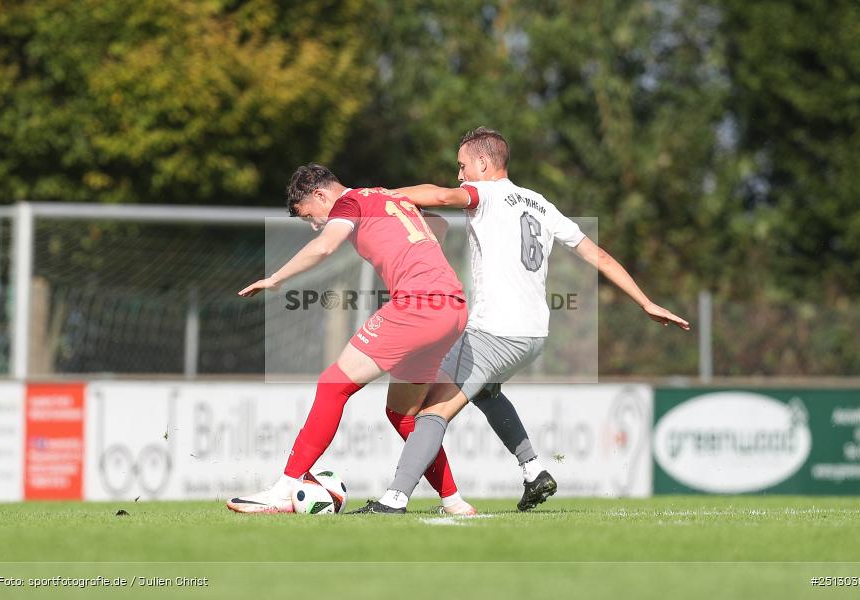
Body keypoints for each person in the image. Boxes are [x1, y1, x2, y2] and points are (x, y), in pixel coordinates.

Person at [352, 127, 689, 514]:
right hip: (532, 335)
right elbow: (599, 256)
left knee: (431, 412)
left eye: (462, 166)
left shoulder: (486, 195)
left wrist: (377, 197)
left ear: (482, 163)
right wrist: (645, 301)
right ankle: (534, 471)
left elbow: (444, 196)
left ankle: (394, 499)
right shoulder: (541, 204)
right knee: (484, 392)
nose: (459, 175)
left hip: (494, 331)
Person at [227, 163, 477, 515]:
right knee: (403, 414)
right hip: (452, 307)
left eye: (310, 216)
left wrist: (276, 279)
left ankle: (285, 489)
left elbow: (325, 247)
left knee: (333, 384)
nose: (314, 224)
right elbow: (438, 224)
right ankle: (454, 501)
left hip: (417, 306)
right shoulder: (387, 198)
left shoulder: (349, 202)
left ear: (320, 194)